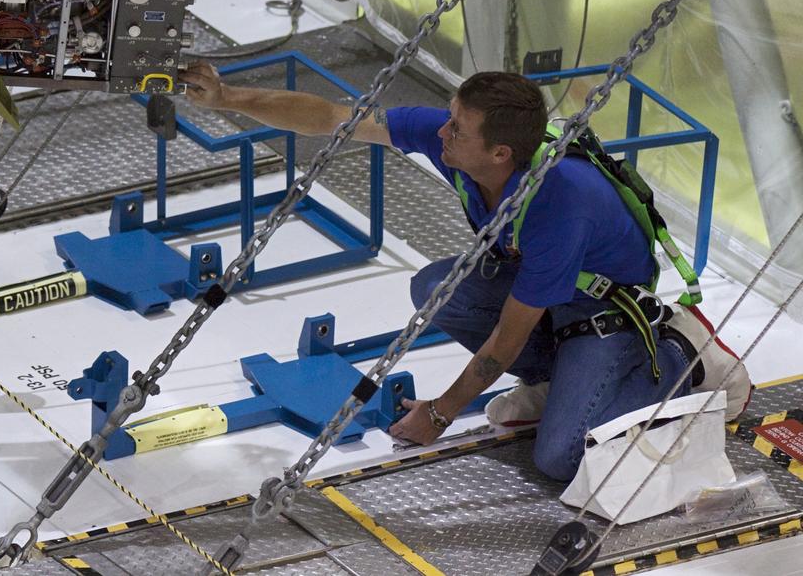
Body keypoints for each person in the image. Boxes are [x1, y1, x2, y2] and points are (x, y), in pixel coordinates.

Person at [179, 63, 751, 481]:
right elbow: (333, 118)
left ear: (501, 153)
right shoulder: (458, 140)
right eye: (449, 120)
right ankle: (559, 379)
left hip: (607, 313)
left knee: (559, 459)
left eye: (457, 130)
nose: (441, 134)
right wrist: (228, 97)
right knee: (433, 288)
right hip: (550, 292)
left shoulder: (558, 205)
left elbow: (509, 333)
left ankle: (683, 355)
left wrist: (441, 412)